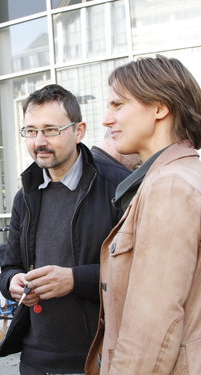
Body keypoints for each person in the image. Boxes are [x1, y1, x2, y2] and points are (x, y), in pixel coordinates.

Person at [0, 84, 129, 374]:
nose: (39, 141)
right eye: (30, 131)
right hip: (35, 357)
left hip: (99, 355)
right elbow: (9, 267)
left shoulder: (118, 187)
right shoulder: (24, 196)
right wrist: (13, 283)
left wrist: (74, 280)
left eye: (50, 130)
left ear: (79, 131)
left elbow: (141, 272)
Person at [85, 56, 201, 374]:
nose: (107, 120)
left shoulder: (170, 185)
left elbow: (153, 325)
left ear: (160, 108)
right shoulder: (184, 174)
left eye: (118, 105)